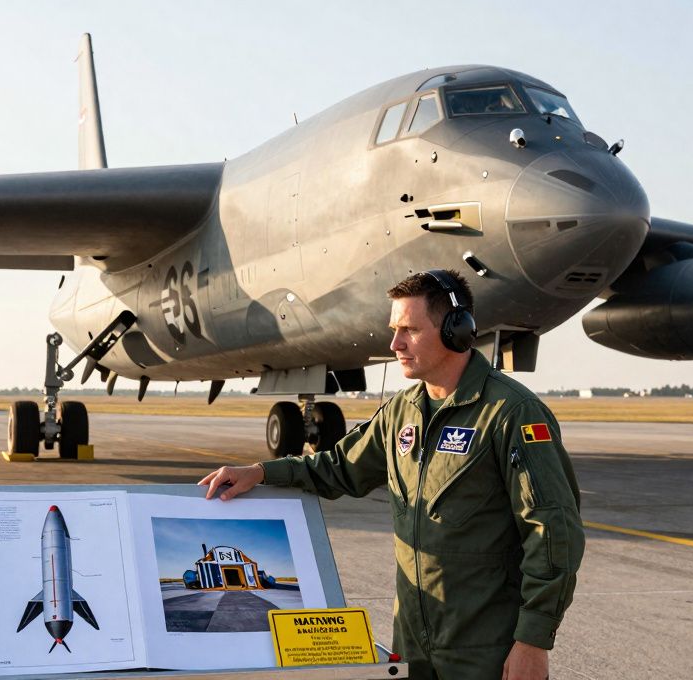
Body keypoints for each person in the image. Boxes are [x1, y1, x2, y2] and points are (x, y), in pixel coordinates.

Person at [199, 270, 584, 680]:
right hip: (414, 646)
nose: (394, 344)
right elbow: (337, 468)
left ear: (457, 331)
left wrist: (532, 641)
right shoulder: (402, 412)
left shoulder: (510, 413)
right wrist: (259, 472)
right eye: (394, 329)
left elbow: (552, 534)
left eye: (409, 330)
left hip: (486, 651)